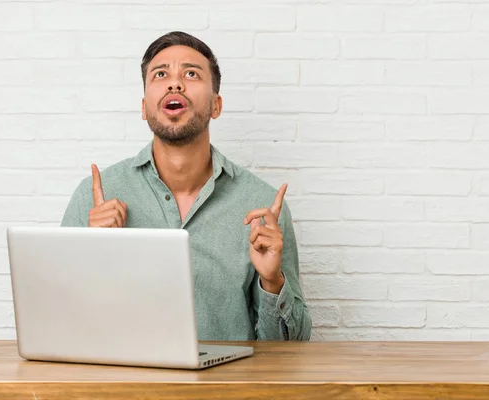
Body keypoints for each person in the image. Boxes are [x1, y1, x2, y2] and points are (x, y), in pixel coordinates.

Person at [61, 31, 312, 341]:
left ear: (216, 106)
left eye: (191, 73)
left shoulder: (263, 206)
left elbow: (293, 350)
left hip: (225, 388)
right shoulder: (94, 198)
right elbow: (60, 324)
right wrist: (92, 255)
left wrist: (273, 281)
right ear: (144, 107)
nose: (175, 83)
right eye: (160, 73)